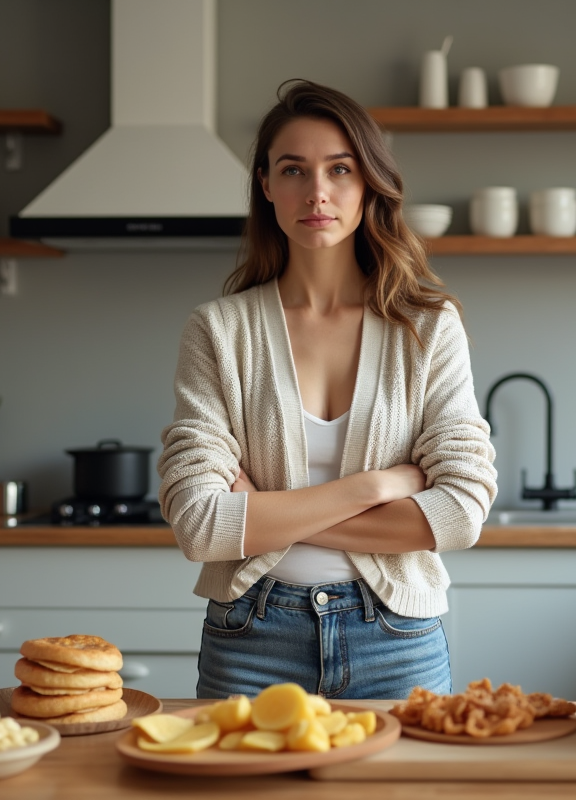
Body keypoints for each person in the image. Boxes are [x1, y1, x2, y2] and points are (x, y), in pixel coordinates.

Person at [158, 79, 497, 700]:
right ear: (266, 185)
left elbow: (461, 510)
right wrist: (376, 487)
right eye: (294, 170)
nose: (317, 192)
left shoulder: (427, 327)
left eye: (339, 169)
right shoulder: (219, 330)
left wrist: (263, 512)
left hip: (396, 640)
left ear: (368, 181)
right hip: (250, 638)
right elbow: (200, 526)